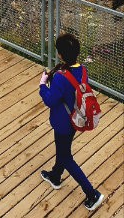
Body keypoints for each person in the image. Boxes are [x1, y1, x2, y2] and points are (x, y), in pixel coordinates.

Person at [38, 33, 106, 212]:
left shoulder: (60, 77)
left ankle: (92, 193)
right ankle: (55, 176)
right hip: (76, 119)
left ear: (60, 55)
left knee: (66, 157)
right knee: (63, 149)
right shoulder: (83, 70)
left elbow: (50, 101)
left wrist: (43, 85)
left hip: (62, 122)